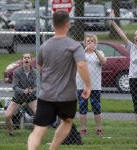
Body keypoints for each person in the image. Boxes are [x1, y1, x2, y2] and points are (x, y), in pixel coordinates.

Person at [27, 10, 91, 150]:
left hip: (46, 95)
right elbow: (81, 65)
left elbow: (40, 67)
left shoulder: (45, 46)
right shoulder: (75, 45)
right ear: (68, 24)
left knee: (38, 131)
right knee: (67, 121)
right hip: (67, 97)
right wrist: (88, 86)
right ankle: (52, 148)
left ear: (53, 25)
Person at [110, 10, 137, 137]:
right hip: (133, 79)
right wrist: (113, 22)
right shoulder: (131, 47)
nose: (136, 36)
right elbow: (121, 34)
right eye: (135, 34)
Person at [76, 35, 107, 137]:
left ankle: (99, 129)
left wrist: (95, 51)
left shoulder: (99, 53)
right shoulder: (81, 53)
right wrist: (85, 50)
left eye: (92, 41)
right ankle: (83, 129)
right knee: (82, 108)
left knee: (96, 107)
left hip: (95, 86)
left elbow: (103, 62)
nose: (90, 43)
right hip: (82, 85)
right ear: (84, 42)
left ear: (96, 43)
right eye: (88, 41)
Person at [5, 53, 40, 135]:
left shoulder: (35, 72)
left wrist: (32, 91)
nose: (26, 59)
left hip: (31, 97)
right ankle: (11, 132)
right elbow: (15, 86)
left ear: (31, 60)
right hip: (18, 97)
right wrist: (23, 91)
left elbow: (38, 86)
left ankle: (35, 133)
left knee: (38, 114)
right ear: (22, 60)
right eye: (25, 58)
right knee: (7, 116)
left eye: (28, 58)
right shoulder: (16, 71)